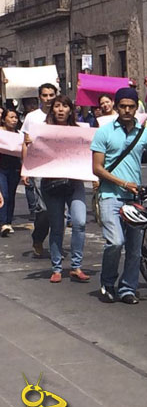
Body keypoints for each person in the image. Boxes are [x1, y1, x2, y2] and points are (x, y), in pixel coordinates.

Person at [91, 87, 147, 304]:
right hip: (110, 195)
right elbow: (97, 168)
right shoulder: (104, 132)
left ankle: (128, 288)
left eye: (131, 106)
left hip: (135, 200)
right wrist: (123, 182)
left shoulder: (145, 134)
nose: (127, 110)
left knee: (135, 248)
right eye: (123, 106)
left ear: (137, 108)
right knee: (115, 242)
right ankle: (108, 283)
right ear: (116, 107)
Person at [27, 96, 90, 283]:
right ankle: (57, 267)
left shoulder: (80, 131)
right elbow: (33, 152)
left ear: (71, 110)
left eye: (65, 106)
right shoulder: (42, 131)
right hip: (51, 184)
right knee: (57, 226)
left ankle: (76, 266)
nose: (61, 110)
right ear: (52, 109)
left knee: (79, 222)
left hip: (74, 183)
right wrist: (31, 143)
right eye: (57, 106)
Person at [21, 83, 58, 257]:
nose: (48, 98)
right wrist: (25, 168)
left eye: (52, 95)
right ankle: (38, 237)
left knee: (60, 211)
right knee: (43, 209)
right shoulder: (32, 117)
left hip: (59, 167)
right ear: (39, 97)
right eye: (45, 95)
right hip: (39, 167)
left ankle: (56, 247)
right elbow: (25, 143)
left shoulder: (61, 114)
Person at [0, 109, 22, 237]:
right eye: (11, 117)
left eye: (16, 117)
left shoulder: (19, 134)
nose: (14, 120)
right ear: (4, 119)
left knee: (11, 195)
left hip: (14, 168)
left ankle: (8, 222)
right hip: (1, 168)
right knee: (4, 195)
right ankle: (3, 222)